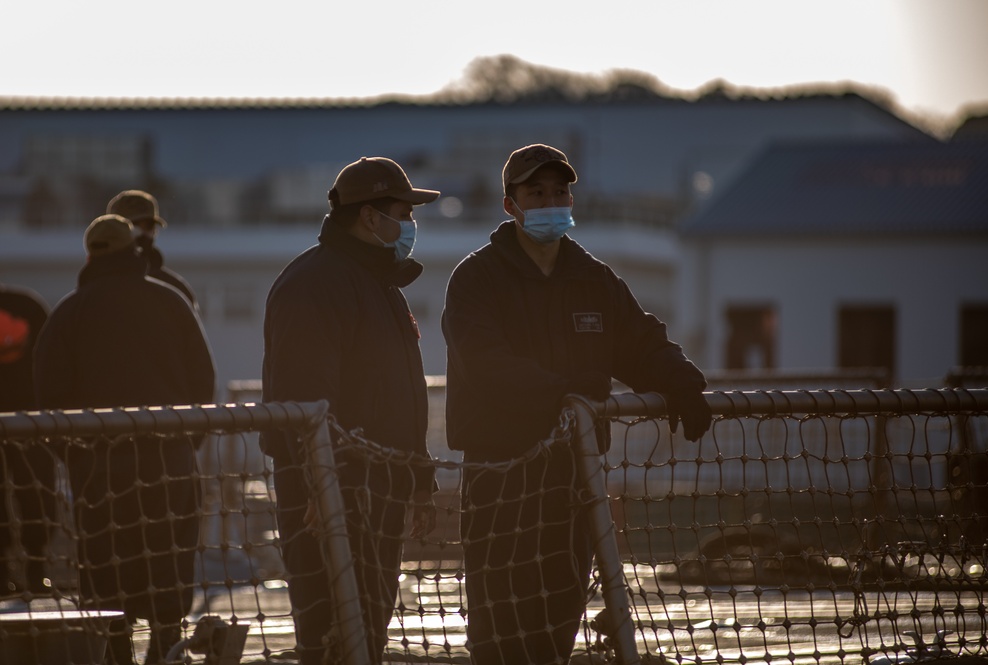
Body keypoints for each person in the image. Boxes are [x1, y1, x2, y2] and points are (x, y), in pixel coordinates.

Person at [441, 143, 712, 665]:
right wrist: (567, 392)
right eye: (535, 192)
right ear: (510, 205)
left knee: (559, 618)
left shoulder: (594, 279)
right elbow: (486, 363)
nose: (550, 201)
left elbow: (640, 341)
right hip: (502, 479)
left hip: (575, 478)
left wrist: (681, 381)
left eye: (559, 191)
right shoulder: (477, 280)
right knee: (500, 627)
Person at [261, 156, 439, 664]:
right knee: (328, 634)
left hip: (377, 486)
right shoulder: (315, 283)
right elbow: (302, 398)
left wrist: (419, 479)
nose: (410, 226)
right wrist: (321, 481)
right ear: (368, 216)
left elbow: (400, 393)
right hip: (331, 494)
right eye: (404, 213)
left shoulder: (377, 283)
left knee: (367, 632)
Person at [34, 214, 215, 665]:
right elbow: (203, 381)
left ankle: (115, 652)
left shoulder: (71, 312)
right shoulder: (171, 301)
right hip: (169, 459)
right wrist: (184, 444)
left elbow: (48, 394)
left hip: (99, 468)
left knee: (106, 564)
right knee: (169, 557)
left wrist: (74, 457)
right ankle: (165, 649)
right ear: (132, 248)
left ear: (91, 254)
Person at [0, 283, 55, 596]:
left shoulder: (28, 306)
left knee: (36, 495)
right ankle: (31, 571)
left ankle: (33, 570)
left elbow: (52, 356)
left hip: (33, 421)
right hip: (34, 419)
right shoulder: (28, 304)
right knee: (36, 494)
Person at [107, 189, 198, 308]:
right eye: (132, 227)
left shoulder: (175, 289)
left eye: (148, 226)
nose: (141, 234)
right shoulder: (95, 290)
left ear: (155, 231)